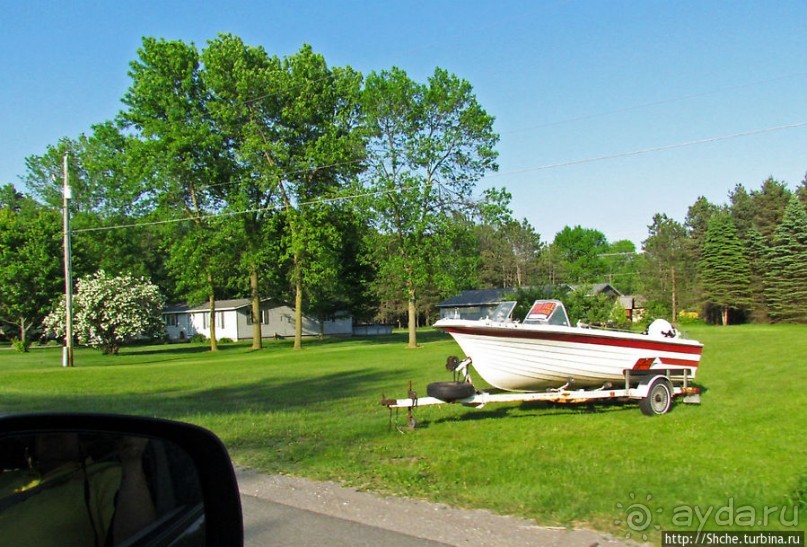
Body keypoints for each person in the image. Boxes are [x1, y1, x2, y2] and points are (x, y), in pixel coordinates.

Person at [0, 433, 156, 547]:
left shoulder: (104, 475)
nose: (53, 433)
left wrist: (132, 463)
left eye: (64, 428)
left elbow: (138, 537)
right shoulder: (10, 477)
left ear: (82, 441)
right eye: (45, 429)